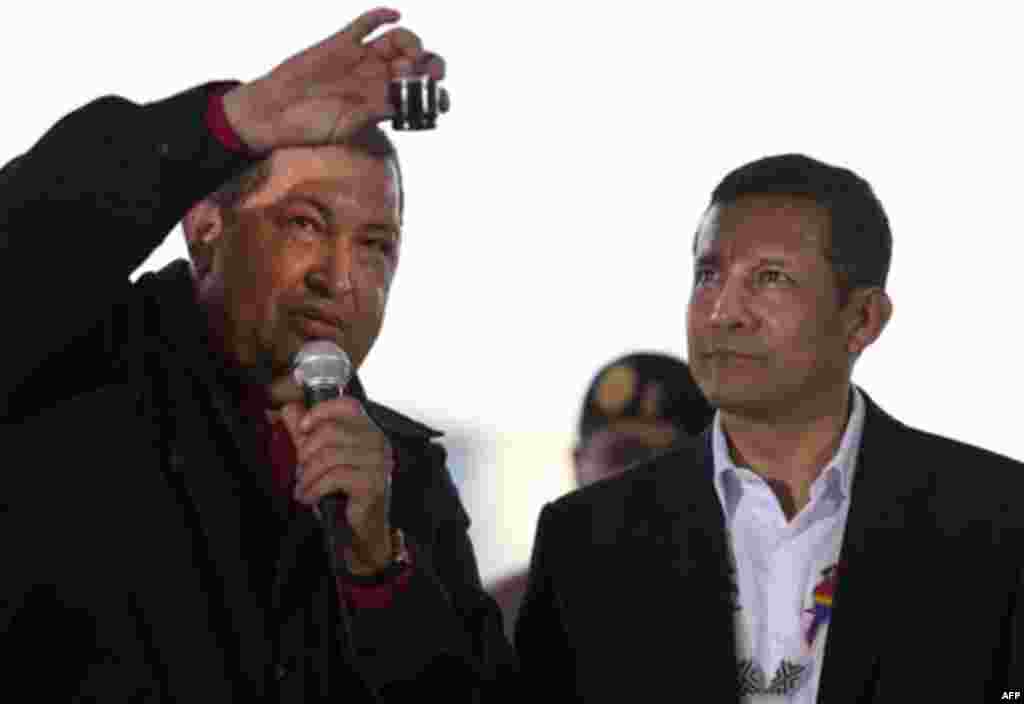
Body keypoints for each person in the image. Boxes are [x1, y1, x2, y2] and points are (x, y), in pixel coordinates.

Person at [0, 8, 514, 701]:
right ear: (206, 227)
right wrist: (229, 123)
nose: (340, 278)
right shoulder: (75, 372)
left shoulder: (402, 478)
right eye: (305, 223)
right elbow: (29, 239)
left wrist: (379, 571)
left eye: (375, 245)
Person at [515, 153, 1024, 701]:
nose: (723, 313)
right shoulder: (586, 542)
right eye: (708, 275)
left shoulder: (998, 522)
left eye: (770, 277)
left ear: (863, 319)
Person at [488, 352, 713, 641]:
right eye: (621, 455)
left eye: (673, 461)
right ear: (578, 464)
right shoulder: (496, 622)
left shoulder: (763, 615)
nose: (642, 479)